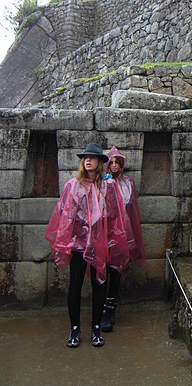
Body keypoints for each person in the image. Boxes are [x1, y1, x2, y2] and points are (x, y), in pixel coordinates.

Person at [45, 143, 130, 348]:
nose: (88, 160)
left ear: (101, 162)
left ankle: (96, 327)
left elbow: (114, 216)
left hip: (100, 243)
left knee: (99, 284)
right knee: (74, 285)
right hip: (78, 244)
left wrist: (108, 239)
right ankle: (75, 328)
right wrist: (69, 240)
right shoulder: (73, 185)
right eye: (85, 158)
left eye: (92, 157)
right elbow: (65, 215)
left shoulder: (108, 186)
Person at [101, 145, 146, 332]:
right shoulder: (101, 183)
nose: (113, 165)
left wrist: (132, 237)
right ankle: (100, 308)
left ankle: (110, 310)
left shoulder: (128, 183)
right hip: (104, 232)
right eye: (111, 162)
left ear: (121, 165)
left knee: (116, 271)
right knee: (101, 271)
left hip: (121, 233)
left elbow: (132, 211)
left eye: (116, 162)